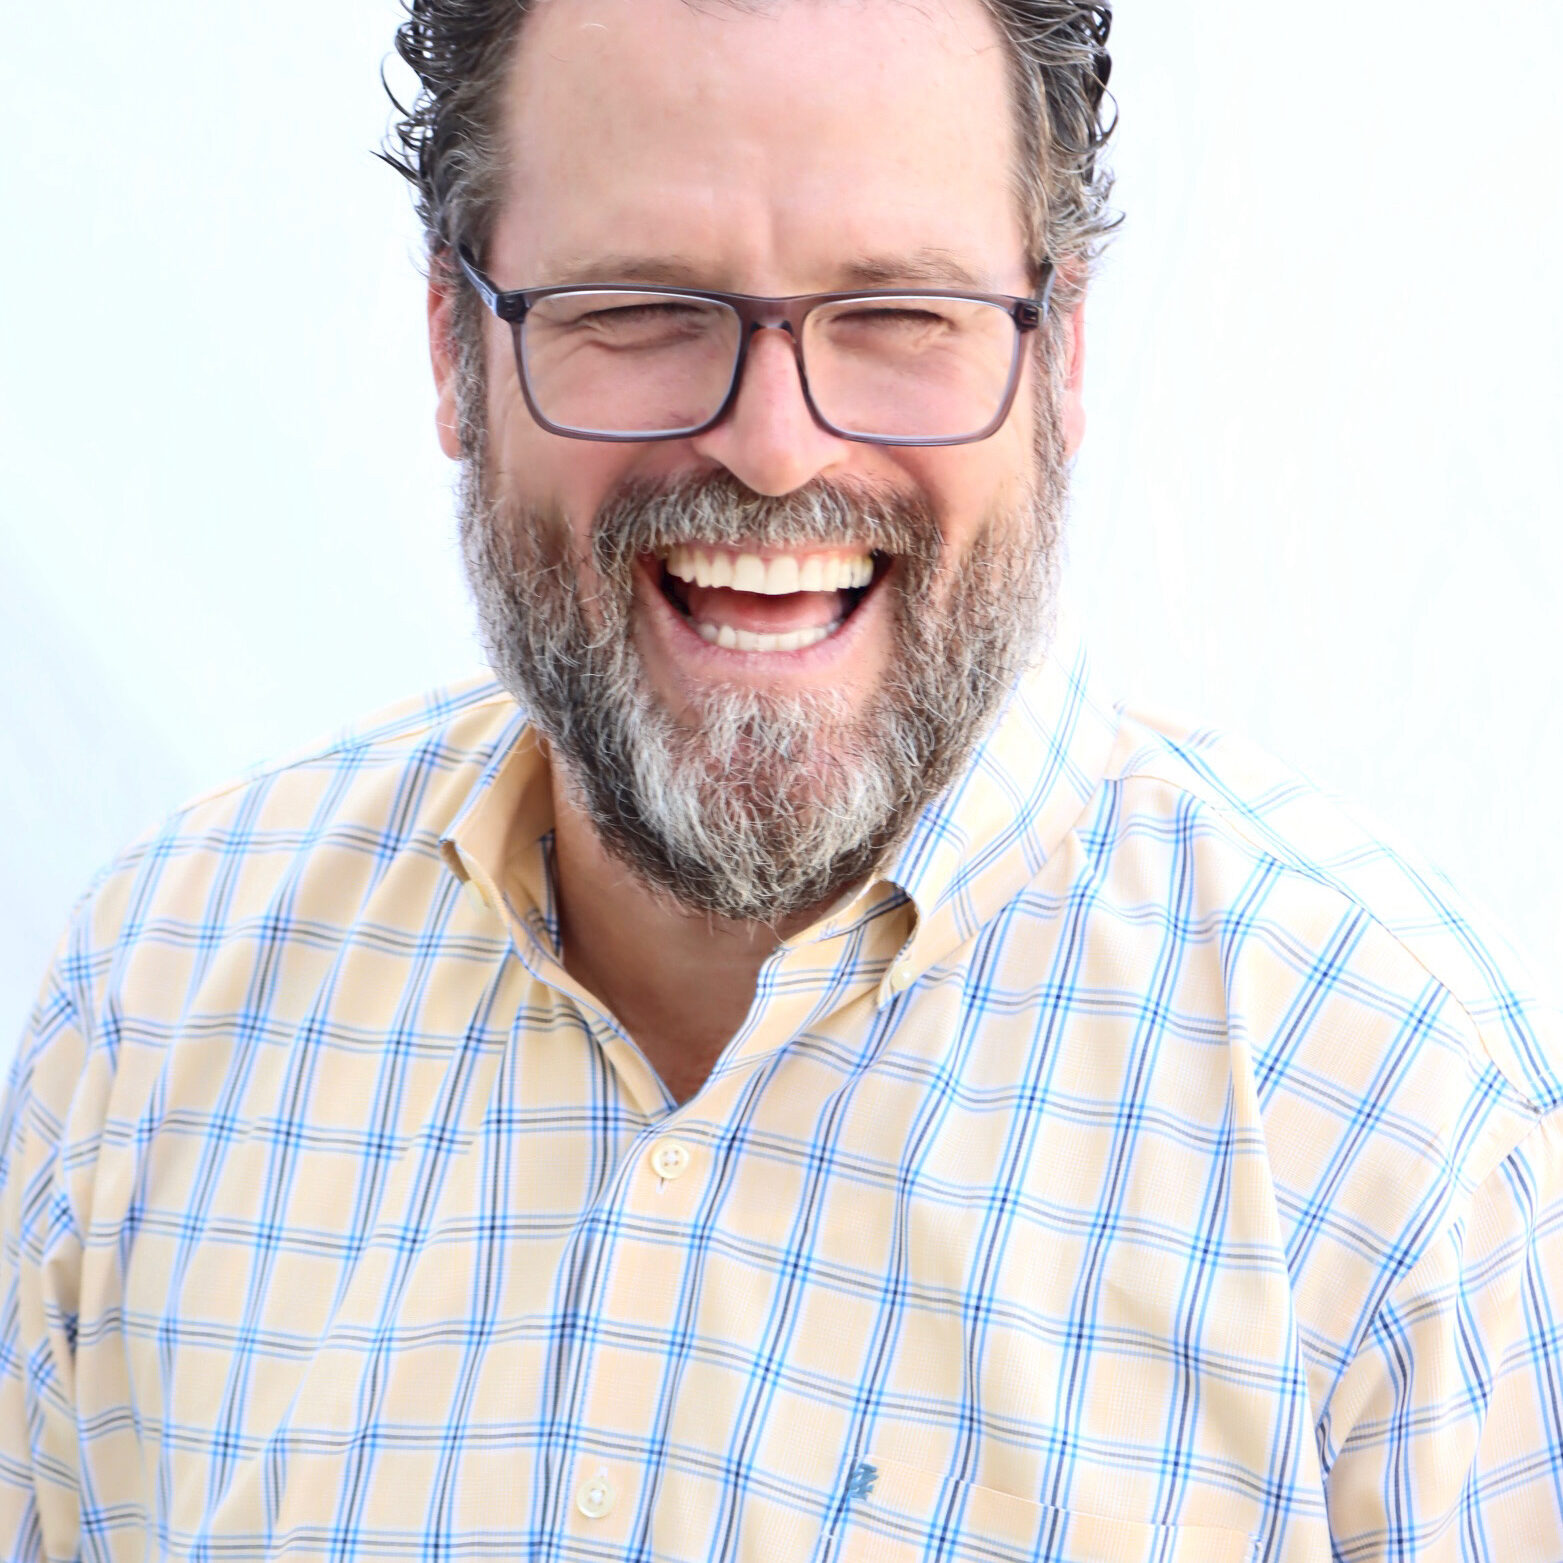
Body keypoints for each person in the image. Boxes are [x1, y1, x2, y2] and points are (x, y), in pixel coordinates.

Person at [2, 0, 1558, 1557]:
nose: (771, 443)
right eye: (640, 306)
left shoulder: (1393, 1132)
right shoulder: (150, 1006)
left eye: (896, 312)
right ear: (450, 346)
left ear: (1063, 348)